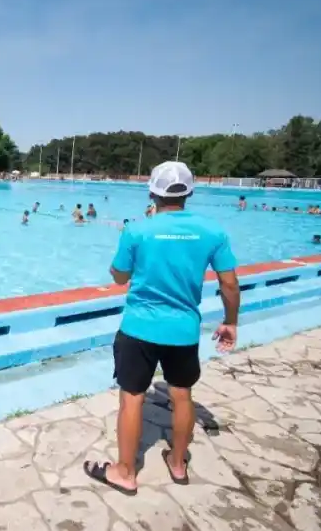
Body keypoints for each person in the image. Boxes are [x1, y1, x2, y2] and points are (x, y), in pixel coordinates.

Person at [83, 161, 240, 496]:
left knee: (132, 398)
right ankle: (179, 463)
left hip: (139, 327)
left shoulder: (138, 231)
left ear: (152, 192)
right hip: (183, 330)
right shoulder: (213, 232)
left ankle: (125, 471)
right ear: (190, 193)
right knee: (182, 395)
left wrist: (125, 269)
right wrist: (230, 322)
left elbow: (120, 276)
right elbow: (229, 284)